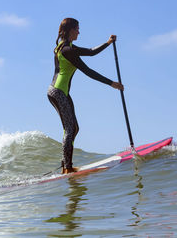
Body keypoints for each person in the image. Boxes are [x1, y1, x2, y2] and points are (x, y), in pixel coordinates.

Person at [47, 18, 124, 174]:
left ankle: (65, 165)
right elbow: (88, 71)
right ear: (70, 30)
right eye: (77, 29)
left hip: (59, 92)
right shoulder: (68, 51)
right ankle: (67, 168)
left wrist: (108, 43)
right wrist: (112, 83)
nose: (79, 32)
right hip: (58, 92)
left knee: (72, 128)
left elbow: (90, 52)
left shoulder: (63, 48)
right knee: (71, 128)